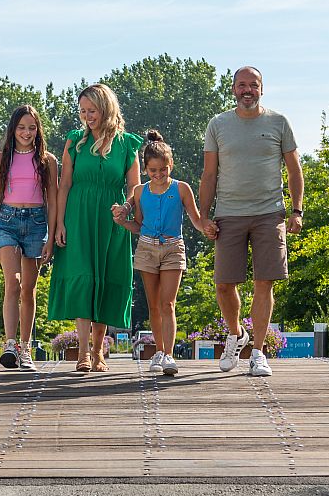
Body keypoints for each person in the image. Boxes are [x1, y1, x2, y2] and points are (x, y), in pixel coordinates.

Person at [199, 65, 303, 377]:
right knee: (223, 284)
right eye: (242, 85)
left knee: (264, 282)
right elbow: (209, 174)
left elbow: (295, 169)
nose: (247, 90)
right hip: (228, 213)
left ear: (261, 89)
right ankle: (236, 334)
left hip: (269, 213)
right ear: (233, 89)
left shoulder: (278, 122)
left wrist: (296, 211)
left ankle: (257, 352)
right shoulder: (218, 124)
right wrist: (203, 217)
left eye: (253, 85)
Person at [49, 83, 142, 373]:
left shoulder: (127, 144)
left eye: (92, 110)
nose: (87, 116)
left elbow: (134, 187)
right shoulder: (74, 140)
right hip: (78, 218)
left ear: (106, 109)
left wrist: (126, 208)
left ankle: (99, 352)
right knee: (83, 280)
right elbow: (63, 185)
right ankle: (82, 354)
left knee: (104, 279)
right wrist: (60, 223)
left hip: (112, 221)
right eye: (83, 111)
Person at [111, 129, 215, 377]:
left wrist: (206, 228)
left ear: (171, 165)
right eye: (153, 171)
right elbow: (138, 225)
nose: (158, 175)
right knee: (154, 305)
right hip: (146, 248)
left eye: (163, 170)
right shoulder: (139, 192)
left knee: (168, 303)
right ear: (146, 169)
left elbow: (195, 218)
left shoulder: (181, 189)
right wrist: (122, 222)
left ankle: (168, 354)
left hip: (172, 248)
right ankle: (159, 350)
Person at [0, 104, 57, 370]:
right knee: (12, 283)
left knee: (29, 288)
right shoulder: (0, 159)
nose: (26, 132)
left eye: (32, 127)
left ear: (38, 130)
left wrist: (50, 238)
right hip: (7, 222)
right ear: (13, 129)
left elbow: (52, 201)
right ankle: (10, 344)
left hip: (37, 223)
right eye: (21, 127)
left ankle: (26, 348)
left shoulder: (47, 161)